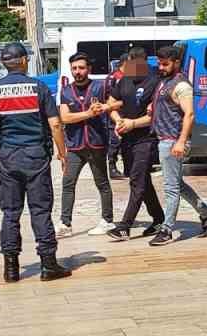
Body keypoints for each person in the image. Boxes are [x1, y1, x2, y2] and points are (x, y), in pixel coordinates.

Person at [0, 42, 72, 283]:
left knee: (10, 213)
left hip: (8, 158)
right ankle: (48, 265)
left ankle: (11, 268)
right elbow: (55, 124)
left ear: (3, 63)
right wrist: (63, 154)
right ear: (23, 61)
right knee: (40, 211)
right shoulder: (39, 88)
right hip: (36, 157)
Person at [147, 45, 207, 246]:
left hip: (172, 140)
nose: (161, 67)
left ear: (177, 62)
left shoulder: (181, 86)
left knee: (170, 187)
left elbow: (190, 114)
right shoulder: (165, 81)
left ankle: (167, 230)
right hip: (165, 138)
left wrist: (181, 140)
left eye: (165, 63)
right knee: (177, 184)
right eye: (159, 63)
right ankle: (206, 212)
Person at [104, 47, 165, 242]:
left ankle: (125, 226)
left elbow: (154, 114)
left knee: (136, 181)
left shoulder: (155, 81)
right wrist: (118, 120)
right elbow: (112, 103)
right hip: (127, 138)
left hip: (146, 138)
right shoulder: (125, 80)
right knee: (142, 180)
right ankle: (158, 218)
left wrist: (133, 124)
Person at [57, 52, 114, 237]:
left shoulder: (101, 87)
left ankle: (107, 220)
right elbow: (65, 117)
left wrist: (108, 111)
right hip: (75, 146)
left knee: (102, 183)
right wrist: (89, 114)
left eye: (81, 68)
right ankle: (65, 224)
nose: (77, 71)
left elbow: (114, 104)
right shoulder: (66, 91)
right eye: (74, 68)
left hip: (97, 144)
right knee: (68, 182)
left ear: (89, 69)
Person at [105, 59, 128, 181]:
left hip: (119, 113)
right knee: (115, 142)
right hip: (115, 114)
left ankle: (125, 167)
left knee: (122, 142)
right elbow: (110, 98)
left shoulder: (114, 75)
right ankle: (112, 168)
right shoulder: (117, 77)